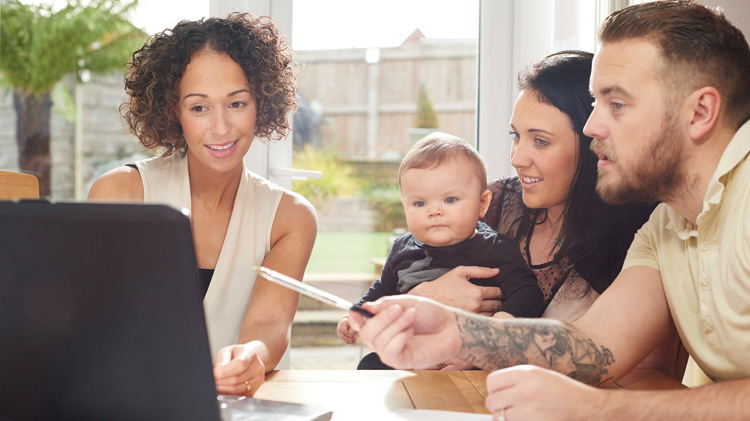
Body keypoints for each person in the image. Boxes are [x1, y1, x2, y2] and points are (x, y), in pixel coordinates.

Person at [350, 1, 750, 419]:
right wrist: (457, 333)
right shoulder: (665, 224)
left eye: (617, 104)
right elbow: (596, 345)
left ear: (700, 112)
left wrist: (601, 409)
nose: (592, 127)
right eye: (596, 103)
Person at [88, 13, 317, 397]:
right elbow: (93, 322)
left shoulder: (290, 218)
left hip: (228, 406)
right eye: (199, 107)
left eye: (237, 103)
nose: (221, 128)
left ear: (262, 102)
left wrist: (252, 357)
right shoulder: (121, 193)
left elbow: (270, 325)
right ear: (171, 111)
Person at [337, 133, 543, 368]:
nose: (434, 211)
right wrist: (357, 315)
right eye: (420, 203)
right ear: (404, 207)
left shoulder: (495, 249)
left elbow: (528, 294)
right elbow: (382, 290)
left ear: (481, 204)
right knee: (370, 365)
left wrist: (493, 333)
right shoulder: (402, 249)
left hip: (468, 357)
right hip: (411, 356)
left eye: (450, 200)